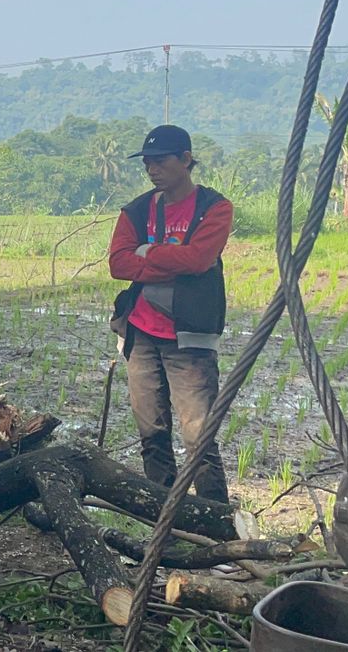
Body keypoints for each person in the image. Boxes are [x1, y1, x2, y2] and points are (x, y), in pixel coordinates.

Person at [107, 124, 232, 503]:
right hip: (141, 334)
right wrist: (170, 261)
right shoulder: (138, 209)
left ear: (186, 159)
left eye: (160, 161)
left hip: (189, 339)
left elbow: (198, 259)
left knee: (199, 440)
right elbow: (118, 263)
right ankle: (162, 521)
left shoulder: (215, 207)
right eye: (148, 163)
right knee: (151, 434)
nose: (152, 169)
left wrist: (147, 253)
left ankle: (217, 524)